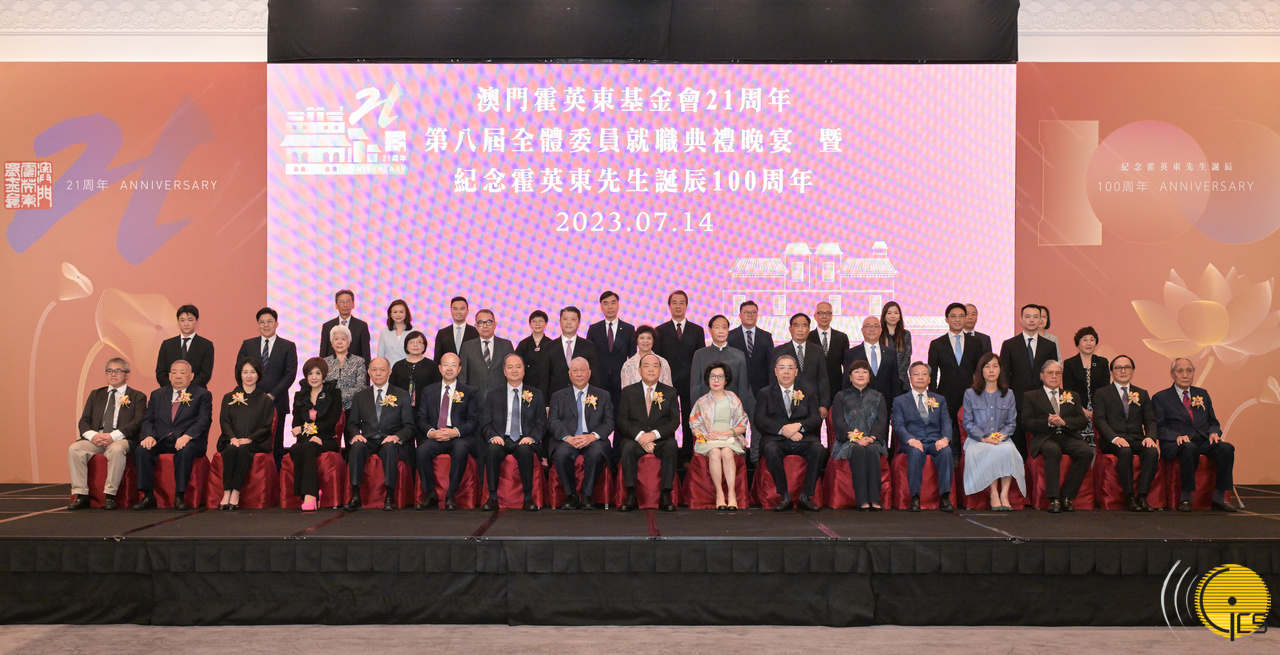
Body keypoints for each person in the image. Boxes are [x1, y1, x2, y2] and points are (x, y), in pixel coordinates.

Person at [1152, 357, 1237, 512]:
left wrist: (1213, 433)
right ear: (1172, 374)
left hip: (1202, 440)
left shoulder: (1202, 394)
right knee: (1189, 448)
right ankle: (1186, 497)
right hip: (1176, 444)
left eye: (1189, 371)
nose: (1185, 375)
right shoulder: (1161, 397)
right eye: (1180, 371)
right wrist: (1176, 436)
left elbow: (1213, 422)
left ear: (1193, 373)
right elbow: (1159, 427)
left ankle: (1219, 496)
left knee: (1226, 448)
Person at [68, 358, 148, 510]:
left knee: (116, 450)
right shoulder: (96, 394)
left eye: (118, 371)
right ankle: (81, 494)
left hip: (121, 438)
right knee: (75, 449)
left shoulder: (137, 396)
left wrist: (113, 436)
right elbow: (84, 420)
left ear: (127, 375)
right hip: (97, 438)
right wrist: (93, 436)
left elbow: (138, 422)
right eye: (109, 371)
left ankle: (110, 495)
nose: (113, 374)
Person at [133, 360, 212, 511]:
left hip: (189, 440)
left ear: (191, 376)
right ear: (169, 376)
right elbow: (148, 419)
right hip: (161, 439)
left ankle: (179, 496)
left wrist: (187, 436)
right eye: (174, 372)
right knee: (142, 450)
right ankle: (148, 496)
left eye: (183, 373)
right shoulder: (157, 394)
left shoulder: (202, 394)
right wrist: (148, 435)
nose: (178, 376)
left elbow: (204, 420)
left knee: (185, 451)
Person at [1022, 360, 1094, 514]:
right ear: (1042, 376)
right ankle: (1054, 498)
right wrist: (1047, 422)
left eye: (1058, 373)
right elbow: (1026, 423)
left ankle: (1067, 496)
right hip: (1045, 437)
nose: (1054, 376)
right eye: (1050, 373)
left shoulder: (1072, 395)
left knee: (1086, 452)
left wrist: (1065, 422)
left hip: (1068, 436)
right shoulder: (1031, 396)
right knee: (1052, 450)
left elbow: (1081, 421)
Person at [343, 357, 415, 511]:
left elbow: (409, 426)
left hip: (389, 439)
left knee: (390, 448)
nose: (378, 373)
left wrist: (396, 437)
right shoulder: (360, 396)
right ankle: (355, 495)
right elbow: (352, 424)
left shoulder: (402, 395)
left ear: (389, 372)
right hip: (368, 439)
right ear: (369, 372)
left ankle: (389, 496)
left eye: (382, 370)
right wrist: (355, 434)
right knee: (356, 447)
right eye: (374, 370)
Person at [756, 354, 825, 511]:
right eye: (782, 368)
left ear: (796, 372)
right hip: (776, 439)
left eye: (790, 368)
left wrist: (798, 426)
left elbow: (816, 418)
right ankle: (784, 496)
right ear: (775, 371)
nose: (786, 371)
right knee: (771, 449)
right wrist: (784, 430)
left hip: (803, 438)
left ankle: (805, 496)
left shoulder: (808, 392)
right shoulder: (765, 393)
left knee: (818, 449)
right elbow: (760, 419)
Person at [1092, 355, 1159, 512]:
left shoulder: (1142, 393)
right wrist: (1114, 438)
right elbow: (1099, 420)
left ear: (1133, 371)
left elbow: (1150, 420)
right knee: (1125, 451)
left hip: (1136, 438)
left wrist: (1150, 437)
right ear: (1112, 372)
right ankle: (1129, 497)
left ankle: (1142, 496)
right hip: (1112, 440)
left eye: (1127, 367)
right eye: (1118, 368)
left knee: (1151, 452)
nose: (1123, 371)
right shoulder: (1102, 393)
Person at [479, 353, 546, 511]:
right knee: (492, 450)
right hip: (502, 439)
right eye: (510, 367)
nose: (514, 370)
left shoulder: (536, 394)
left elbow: (541, 423)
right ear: (504, 371)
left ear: (524, 371)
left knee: (525, 451)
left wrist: (531, 437)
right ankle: (492, 497)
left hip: (524, 439)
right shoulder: (493, 395)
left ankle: (528, 497)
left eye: (518, 366)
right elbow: (485, 423)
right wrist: (493, 436)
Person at [616, 354, 681, 512]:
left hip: (660, 439)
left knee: (671, 446)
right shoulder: (628, 392)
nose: (651, 370)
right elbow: (622, 420)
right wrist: (640, 437)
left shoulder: (670, 392)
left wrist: (654, 435)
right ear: (639, 370)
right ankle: (631, 495)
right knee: (627, 448)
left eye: (655, 366)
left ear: (660, 370)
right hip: (635, 439)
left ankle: (665, 495)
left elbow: (674, 421)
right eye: (646, 366)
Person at [548, 357, 615, 509]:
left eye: (582, 370)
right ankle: (571, 495)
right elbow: (553, 421)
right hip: (568, 439)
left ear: (589, 373)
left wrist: (592, 436)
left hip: (593, 439)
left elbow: (609, 422)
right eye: (575, 370)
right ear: (569, 374)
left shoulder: (603, 395)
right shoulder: (558, 396)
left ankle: (587, 496)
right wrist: (568, 438)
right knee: (561, 454)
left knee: (596, 452)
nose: (579, 374)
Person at [415, 353, 479, 510]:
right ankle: (430, 495)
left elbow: (473, 421)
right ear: (439, 368)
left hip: (458, 437)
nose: (449, 368)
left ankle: (451, 494)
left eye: (453, 365)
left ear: (459, 369)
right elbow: (422, 418)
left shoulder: (469, 391)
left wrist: (455, 432)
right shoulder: (428, 391)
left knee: (460, 449)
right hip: (436, 435)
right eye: (446, 364)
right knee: (422, 451)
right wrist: (431, 432)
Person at [961, 353, 1025, 511]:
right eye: (987, 367)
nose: (991, 370)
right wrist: (984, 438)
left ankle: (1004, 494)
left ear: (1000, 370)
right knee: (990, 450)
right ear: (981, 370)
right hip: (978, 440)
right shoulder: (970, 393)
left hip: (1001, 438)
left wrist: (1000, 437)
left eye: (995, 366)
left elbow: (1011, 423)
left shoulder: (1008, 394)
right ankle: (994, 493)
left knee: (1008, 450)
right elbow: (967, 422)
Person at [235, 307, 297, 468]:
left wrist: (272, 395)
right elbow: (239, 370)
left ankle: (274, 478)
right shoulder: (248, 344)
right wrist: (254, 395)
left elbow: (290, 374)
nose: (266, 325)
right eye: (262, 322)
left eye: (269, 321)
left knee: (276, 444)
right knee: (251, 441)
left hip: (277, 402)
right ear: (258, 324)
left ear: (276, 323)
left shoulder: (288, 346)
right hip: (251, 402)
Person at [891, 362, 954, 512]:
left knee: (946, 451)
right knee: (915, 453)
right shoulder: (900, 401)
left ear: (930, 379)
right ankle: (915, 498)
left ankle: (945, 497)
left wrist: (945, 439)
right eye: (916, 374)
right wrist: (911, 440)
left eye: (924, 374)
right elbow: (898, 425)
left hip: (934, 441)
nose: (920, 377)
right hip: (912, 442)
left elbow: (946, 421)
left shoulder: (939, 399)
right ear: (910, 379)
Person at [215, 357, 274, 510]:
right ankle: (226, 492)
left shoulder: (265, 400)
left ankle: (235, 491)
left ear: (258, 374)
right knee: (230, 449)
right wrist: (232, 438)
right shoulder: (229, 397)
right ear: (239, 374)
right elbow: (224, 421)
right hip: (232, 440)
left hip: (256, 442)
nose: (249, 376)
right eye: (245, 372)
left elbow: (266, 426)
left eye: (252, 372)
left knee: (243, 449)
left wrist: (249, 439)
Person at [689, 362, 749, 511]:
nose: (716, 380)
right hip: (709, 439)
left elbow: (742, 426)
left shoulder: (733, 398)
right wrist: (704, 435)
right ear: (708, 379)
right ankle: (720, 494)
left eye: (720, 377)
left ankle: (732, 495)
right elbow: (694, 427)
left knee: (727, 452)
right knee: (715, 452)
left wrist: (725, 434)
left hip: (730, 438)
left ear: (726, 380)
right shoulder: (701, 401)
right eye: (713, 376)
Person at [999, 304, 1058, 455]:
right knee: (1018, 442)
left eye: (1035, 317)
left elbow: (1053, 374)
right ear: (1021, 320)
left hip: (1042, 401)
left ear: (1041, 320)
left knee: (1042, 442)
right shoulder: (1009, 344)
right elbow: (1004, 374)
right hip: (1017, 400)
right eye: (1028, 316)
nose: (1032, 320)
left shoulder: (1049, 345)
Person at [654, 290, 704, 465]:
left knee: (690, 421)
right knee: (667, 421)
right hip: (667, 384)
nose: (678, 306)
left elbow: (700, 359)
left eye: (681, 302)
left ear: (686, 306)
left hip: (690, 384)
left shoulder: (697, 330)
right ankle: (670, 455)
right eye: (674, 302)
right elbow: (657, 360)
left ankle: (688, 456)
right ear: (669, 306)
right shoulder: (660, 331)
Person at [831, 361, 889, 510]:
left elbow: (881, 421)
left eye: (865, 372)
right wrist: (855, 437)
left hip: (872, 440)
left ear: (869, 377)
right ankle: (862, 500)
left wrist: (871, 438)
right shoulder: (841, 396)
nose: (861, 375)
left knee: (872, 449)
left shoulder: (878, 396)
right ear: (850, 377)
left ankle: (875, 499)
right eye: (856, 372)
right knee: (857, 449)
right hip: (848, 441)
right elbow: (838, 421)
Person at [927, 302, 982, 456]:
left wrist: (979, 392)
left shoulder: (976, 343)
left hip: (970, 393)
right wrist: (932, 396)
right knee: (947, 428)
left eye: (961, 316)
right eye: (953, 316)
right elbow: (932, 373)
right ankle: (950, 459)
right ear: (947, 319)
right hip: (945, 393)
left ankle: (966, 458)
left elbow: (980, 371)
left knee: (967, 428)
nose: (957, 320)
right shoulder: (937, 344)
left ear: (965, 318)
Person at [289, 358, 343, 511]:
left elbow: (332, 421)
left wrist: (309, 431)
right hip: (306, 439)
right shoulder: (300, 395)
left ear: (324, 375)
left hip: (326, 438)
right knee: (295, 449)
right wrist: (299, 430)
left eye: (318, 373)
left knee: (309, 447)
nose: (314, 377)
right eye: (310, 373)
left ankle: (310, 495)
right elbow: (296, 421)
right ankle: (310, 491)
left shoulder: (334, 393)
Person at [690, 315, 754, 423]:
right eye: (717, 327)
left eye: (724, 327)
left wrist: (742, 414)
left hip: (731, 411)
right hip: (706, 411)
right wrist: (697, 413)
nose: (721, 331)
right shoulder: (700, 354)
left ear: (728, 330)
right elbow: (695, 387)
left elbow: (742, 388)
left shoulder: (738, 355)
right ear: (710, 330)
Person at [769, 313, 831, 417]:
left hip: (813, 404)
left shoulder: (818, 351)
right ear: (790, 329)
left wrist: (824, 404)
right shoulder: (779, 351)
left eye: (804, 326)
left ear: (809, 329)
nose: (800, 330)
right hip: (786, 403)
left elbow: (823, 379)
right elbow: (773, 379)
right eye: (796, 325)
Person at [586, 290, 636, 411]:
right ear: (601, 306)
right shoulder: (594, 329)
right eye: (606, 303)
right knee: (599, 413)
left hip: (621, 381)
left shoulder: (629, 329)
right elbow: (588, 356)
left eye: (613, 303)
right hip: (599, 381)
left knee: (620, 413)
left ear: (618, 305)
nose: (610, 307)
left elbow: (633, 357)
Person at [458, 309, 514, 402]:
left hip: (501, 399)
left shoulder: (506, 345)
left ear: (495, 324)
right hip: (475, 400)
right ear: (476, 326)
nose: (485, 326)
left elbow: (512, 373)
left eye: (488, 322)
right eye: (480, 322)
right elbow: (462, 377)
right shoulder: (467, 347)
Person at [1062, 326, 1111, 435]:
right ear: (1078, 344)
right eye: (1085, 340)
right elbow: (1068, 392)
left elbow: (1105, 389)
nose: (1089, 343)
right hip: (1077, 411)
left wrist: (1097, 410)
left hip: (1098, 411)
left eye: (1092, 340)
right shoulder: (1070, 363)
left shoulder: (1102, 362)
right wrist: (1081, 410)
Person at [155, 304, 214, 389]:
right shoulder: (167, 344)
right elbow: (161, 372)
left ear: (197, 321)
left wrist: (188, 390)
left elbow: (205, 373)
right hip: (170, 392)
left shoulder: (206, 345)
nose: (186, 324)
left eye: (190, 320)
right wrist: (173, 389)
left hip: (197, 392)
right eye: (182, 320)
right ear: (178, 322)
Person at [843, 316, 901, 402]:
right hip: (859, 403)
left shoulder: (891, 353)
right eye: (868, 326)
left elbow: (895, 382)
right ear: (862, 330)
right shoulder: (851, 353)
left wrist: (896, 405)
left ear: (880, 330)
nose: (872, 329)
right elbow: (846, 381)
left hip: (886, 403)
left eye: (875, 326)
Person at [727, 300, 775, 401]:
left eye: (753, 312)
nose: (750, 315)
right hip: (736, 388)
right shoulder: (730, 336)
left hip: (761, 388)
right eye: (746, 312)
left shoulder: (766, 337)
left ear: (757, 315)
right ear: (740, 315)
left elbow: (770, 364)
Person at [547, 306, 601, 394]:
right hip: (556, 397)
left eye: (573, 319)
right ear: (560, 322)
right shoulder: (549, 347)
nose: (569, 322)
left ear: (579, 323)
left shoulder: (589, 346)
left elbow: (594, 376)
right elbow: (544, 378)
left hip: (583, 396)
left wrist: (593, 397)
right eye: (565, 319)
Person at [808, 302, 850, 406]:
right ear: (815, 316)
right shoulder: (808, 337)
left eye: (827, 313)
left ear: (831, 316)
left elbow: (846, 365)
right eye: (821, 313)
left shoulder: (842, 338)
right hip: (813, 389)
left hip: (836, 389)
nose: (824, 316)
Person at [389, 330, 440, 409]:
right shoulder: (398, 365)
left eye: (419, 342)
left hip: (425, 408)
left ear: (424, 346)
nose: (415, 345)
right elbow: (391, 389)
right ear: (406, 346)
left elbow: (437, 388)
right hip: (401, 408)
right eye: (411, 342)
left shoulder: (432, 365)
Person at [324, 324, 367, 411]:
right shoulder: (324, 362)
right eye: (336, 339)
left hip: (352, 407)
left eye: (343, 339)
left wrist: (338, 399)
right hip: (329, 408)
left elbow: (360, 387)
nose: (339, 342)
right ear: (331, 343)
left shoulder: (359, 361)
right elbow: (322, 386)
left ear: (349, 342)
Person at [319, 289, 372, 362]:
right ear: (336, 305)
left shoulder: (362, 326)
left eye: (348, 302)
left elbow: (366, 353)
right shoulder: (327, 326)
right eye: (341, 302)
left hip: (355, 367)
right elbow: (323, 353)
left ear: (353, 304)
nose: (345, 305)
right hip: (332, 366)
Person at [515, 310, 553, 398]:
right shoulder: (523, 344)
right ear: (530, 324)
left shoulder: (551, 344)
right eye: (534, 321)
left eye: (540, 321)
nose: (537, 324)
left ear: (546, 324)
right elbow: (517, 363)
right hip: (527, 385)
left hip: (546, 386)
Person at [879, 301, 912, 392]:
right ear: (884, 316)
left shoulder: (906, 334)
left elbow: (907, 357)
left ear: (900, 316)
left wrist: (898, 377)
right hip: (883, 380)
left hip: (902, 381)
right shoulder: (879, 335)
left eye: (896, 313)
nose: (893, 316)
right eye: (889, 313)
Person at [433, 296, 478, 362]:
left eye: (462, 309)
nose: (458, 312)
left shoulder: (475, 332)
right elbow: (437, 359)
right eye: (455, 309)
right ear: (451, 311)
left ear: (467, 311)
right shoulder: (442, 334)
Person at [376, 299, 413, 367]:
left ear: (406, 314)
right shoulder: (385, 332)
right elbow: (380, 356)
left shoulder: (414, 331)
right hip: (391, 369)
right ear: (390, 314)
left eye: (401, 312)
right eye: (395, 312)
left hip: (409, 368)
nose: (398, 315)